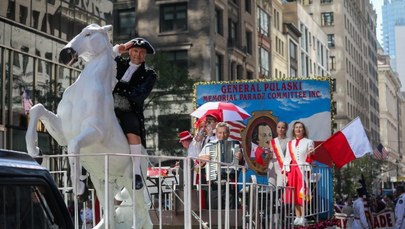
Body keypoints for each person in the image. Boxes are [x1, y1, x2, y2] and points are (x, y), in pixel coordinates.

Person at [112, 37, 157, 190]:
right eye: (135, 51)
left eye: (142, 52)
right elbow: (104, 57)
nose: (138, 55)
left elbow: (139, 95)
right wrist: (120, 48)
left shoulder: (150, 74)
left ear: (145, 55)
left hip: (127, 108)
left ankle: (136, 172)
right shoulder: (118, 63)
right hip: (107, 105)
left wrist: (118, 87)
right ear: (129, 52)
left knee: (132, 129)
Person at [198, 122, 243, 209]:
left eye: (225, 132)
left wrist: (240, 158)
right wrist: (202, 160)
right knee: (214, 210)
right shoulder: (208, 146)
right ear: (216, 133)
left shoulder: (236, 144)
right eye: (220, 133)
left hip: (230, 183)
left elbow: (244, 165)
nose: (222, 135)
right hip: (214, 182)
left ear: (229, 133)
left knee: (231, 211)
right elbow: (197, 165)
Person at [283, 121, 314, 226]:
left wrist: (310, 154)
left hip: (302, 170)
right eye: (296, 127)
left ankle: (303, 216)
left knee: (302, 193)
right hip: (292, 171)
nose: (298, 129)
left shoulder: (309, 141)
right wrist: (285, 172)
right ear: (293, 130)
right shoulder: (289, 143)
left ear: (303, 130)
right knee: (294, 194)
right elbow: (287, 157)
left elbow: (311, 157)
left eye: (300, 127)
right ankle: (297, 216)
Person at [268, 121, 290, 187]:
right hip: (272, 165)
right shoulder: (272, 141)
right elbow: (270, 154)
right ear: (276, 128)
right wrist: (267, 154)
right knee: (271, 188)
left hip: (282, 166)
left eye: (282, 127)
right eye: (279, 127)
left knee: (280, 187)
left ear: (286, 129)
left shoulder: (289, 141)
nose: (280, 129)